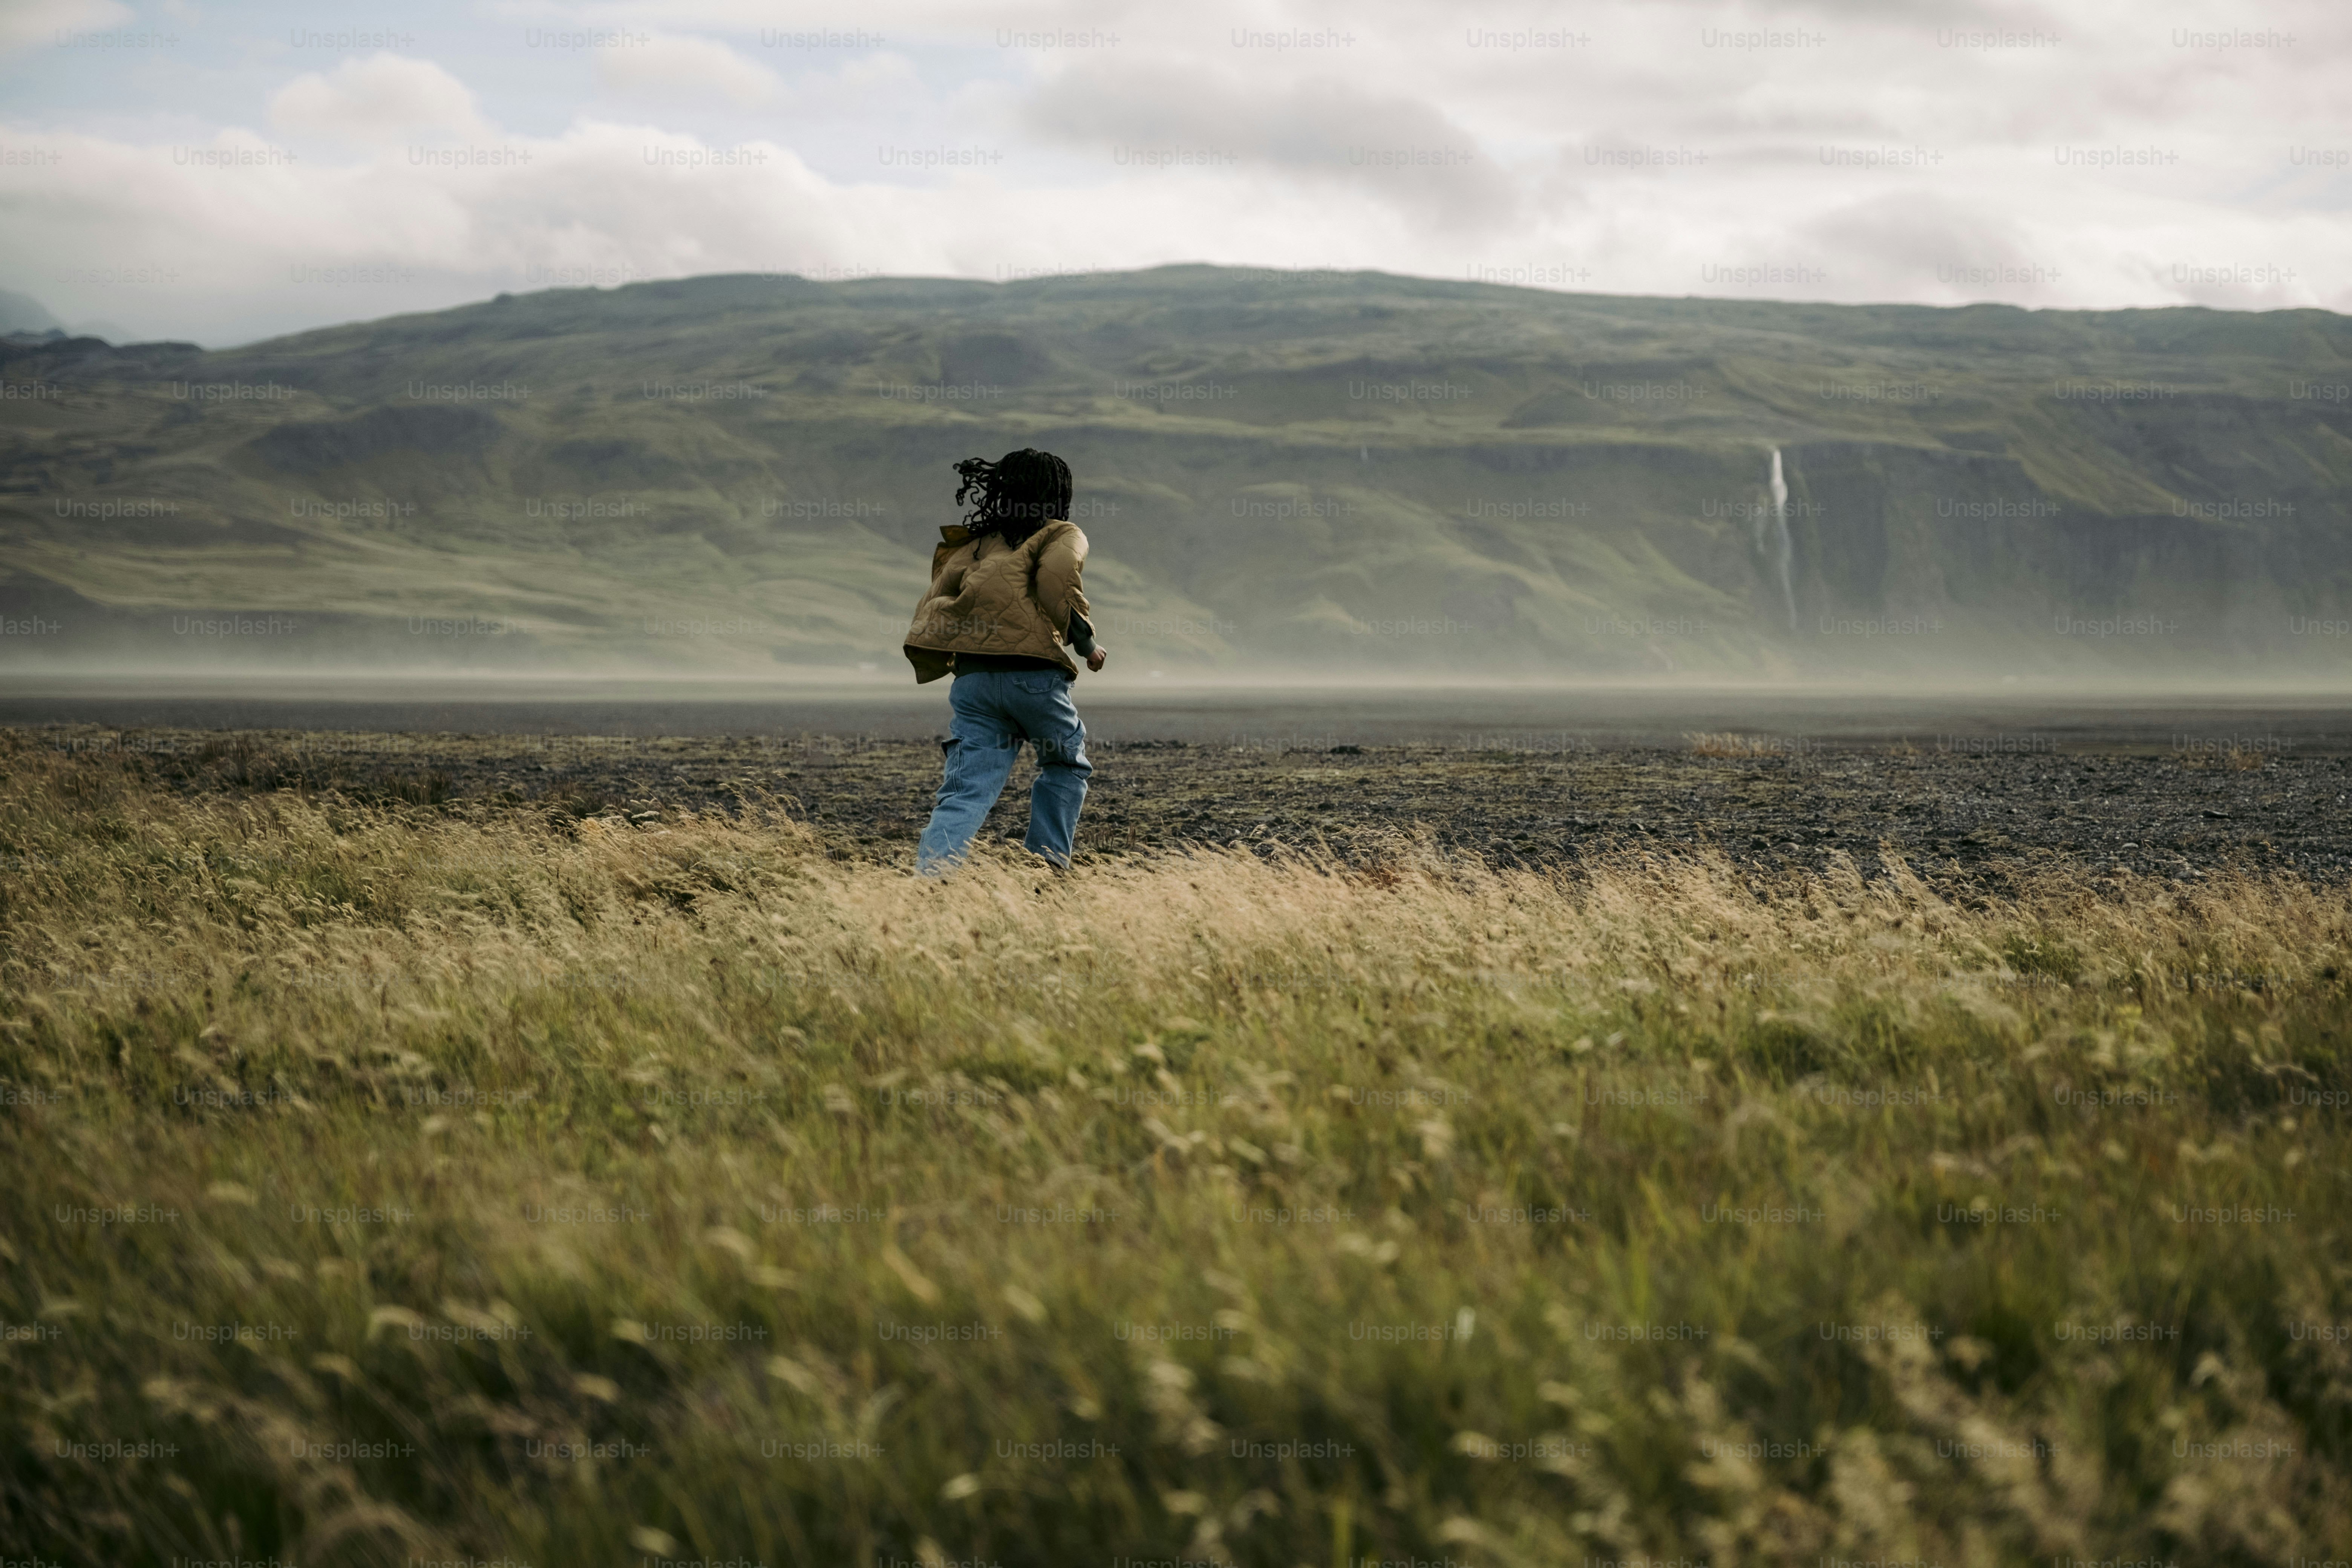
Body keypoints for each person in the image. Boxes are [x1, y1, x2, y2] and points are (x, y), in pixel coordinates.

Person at [903, 448, 1107, 874]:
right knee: (1065, 764)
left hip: (974, 681)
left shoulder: (975, 544)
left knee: (966, 789)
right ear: (1058, 492)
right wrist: (1086, 644)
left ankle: (933, 877)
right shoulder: (1059, 533)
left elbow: (938, 596)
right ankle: (1046, 869)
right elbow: (1057, 579)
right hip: (1032, 677)